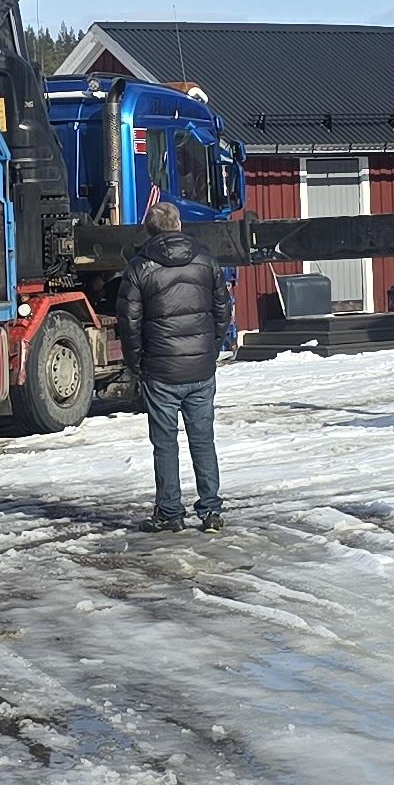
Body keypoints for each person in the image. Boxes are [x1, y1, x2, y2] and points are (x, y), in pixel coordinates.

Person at [116, 193, 235, 532]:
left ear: (149, 231)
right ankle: (211, 511)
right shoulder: (205, 260)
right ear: (179, 225)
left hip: (161, 371)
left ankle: (169, 513)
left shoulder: (139, 267)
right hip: (200, 368)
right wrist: (210, 349)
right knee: (203, 439)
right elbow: (222, 309)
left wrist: (136, 363)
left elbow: (129, 322)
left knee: (165, 444)